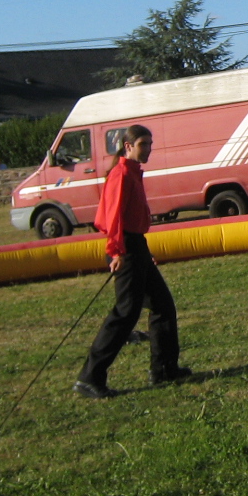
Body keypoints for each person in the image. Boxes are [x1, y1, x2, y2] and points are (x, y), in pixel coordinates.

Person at [74, 124, 190, 397]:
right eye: (143, 144)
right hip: (125, 247)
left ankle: (163, 369)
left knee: (162, 305)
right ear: (128, 146)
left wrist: (143, 252)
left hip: (136, 245)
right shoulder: (122, 174)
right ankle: (90, 377)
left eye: (150, 144)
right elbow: (112, 217)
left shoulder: (133, 172)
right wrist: (116, 251)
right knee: (125, 313)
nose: (148, 149)